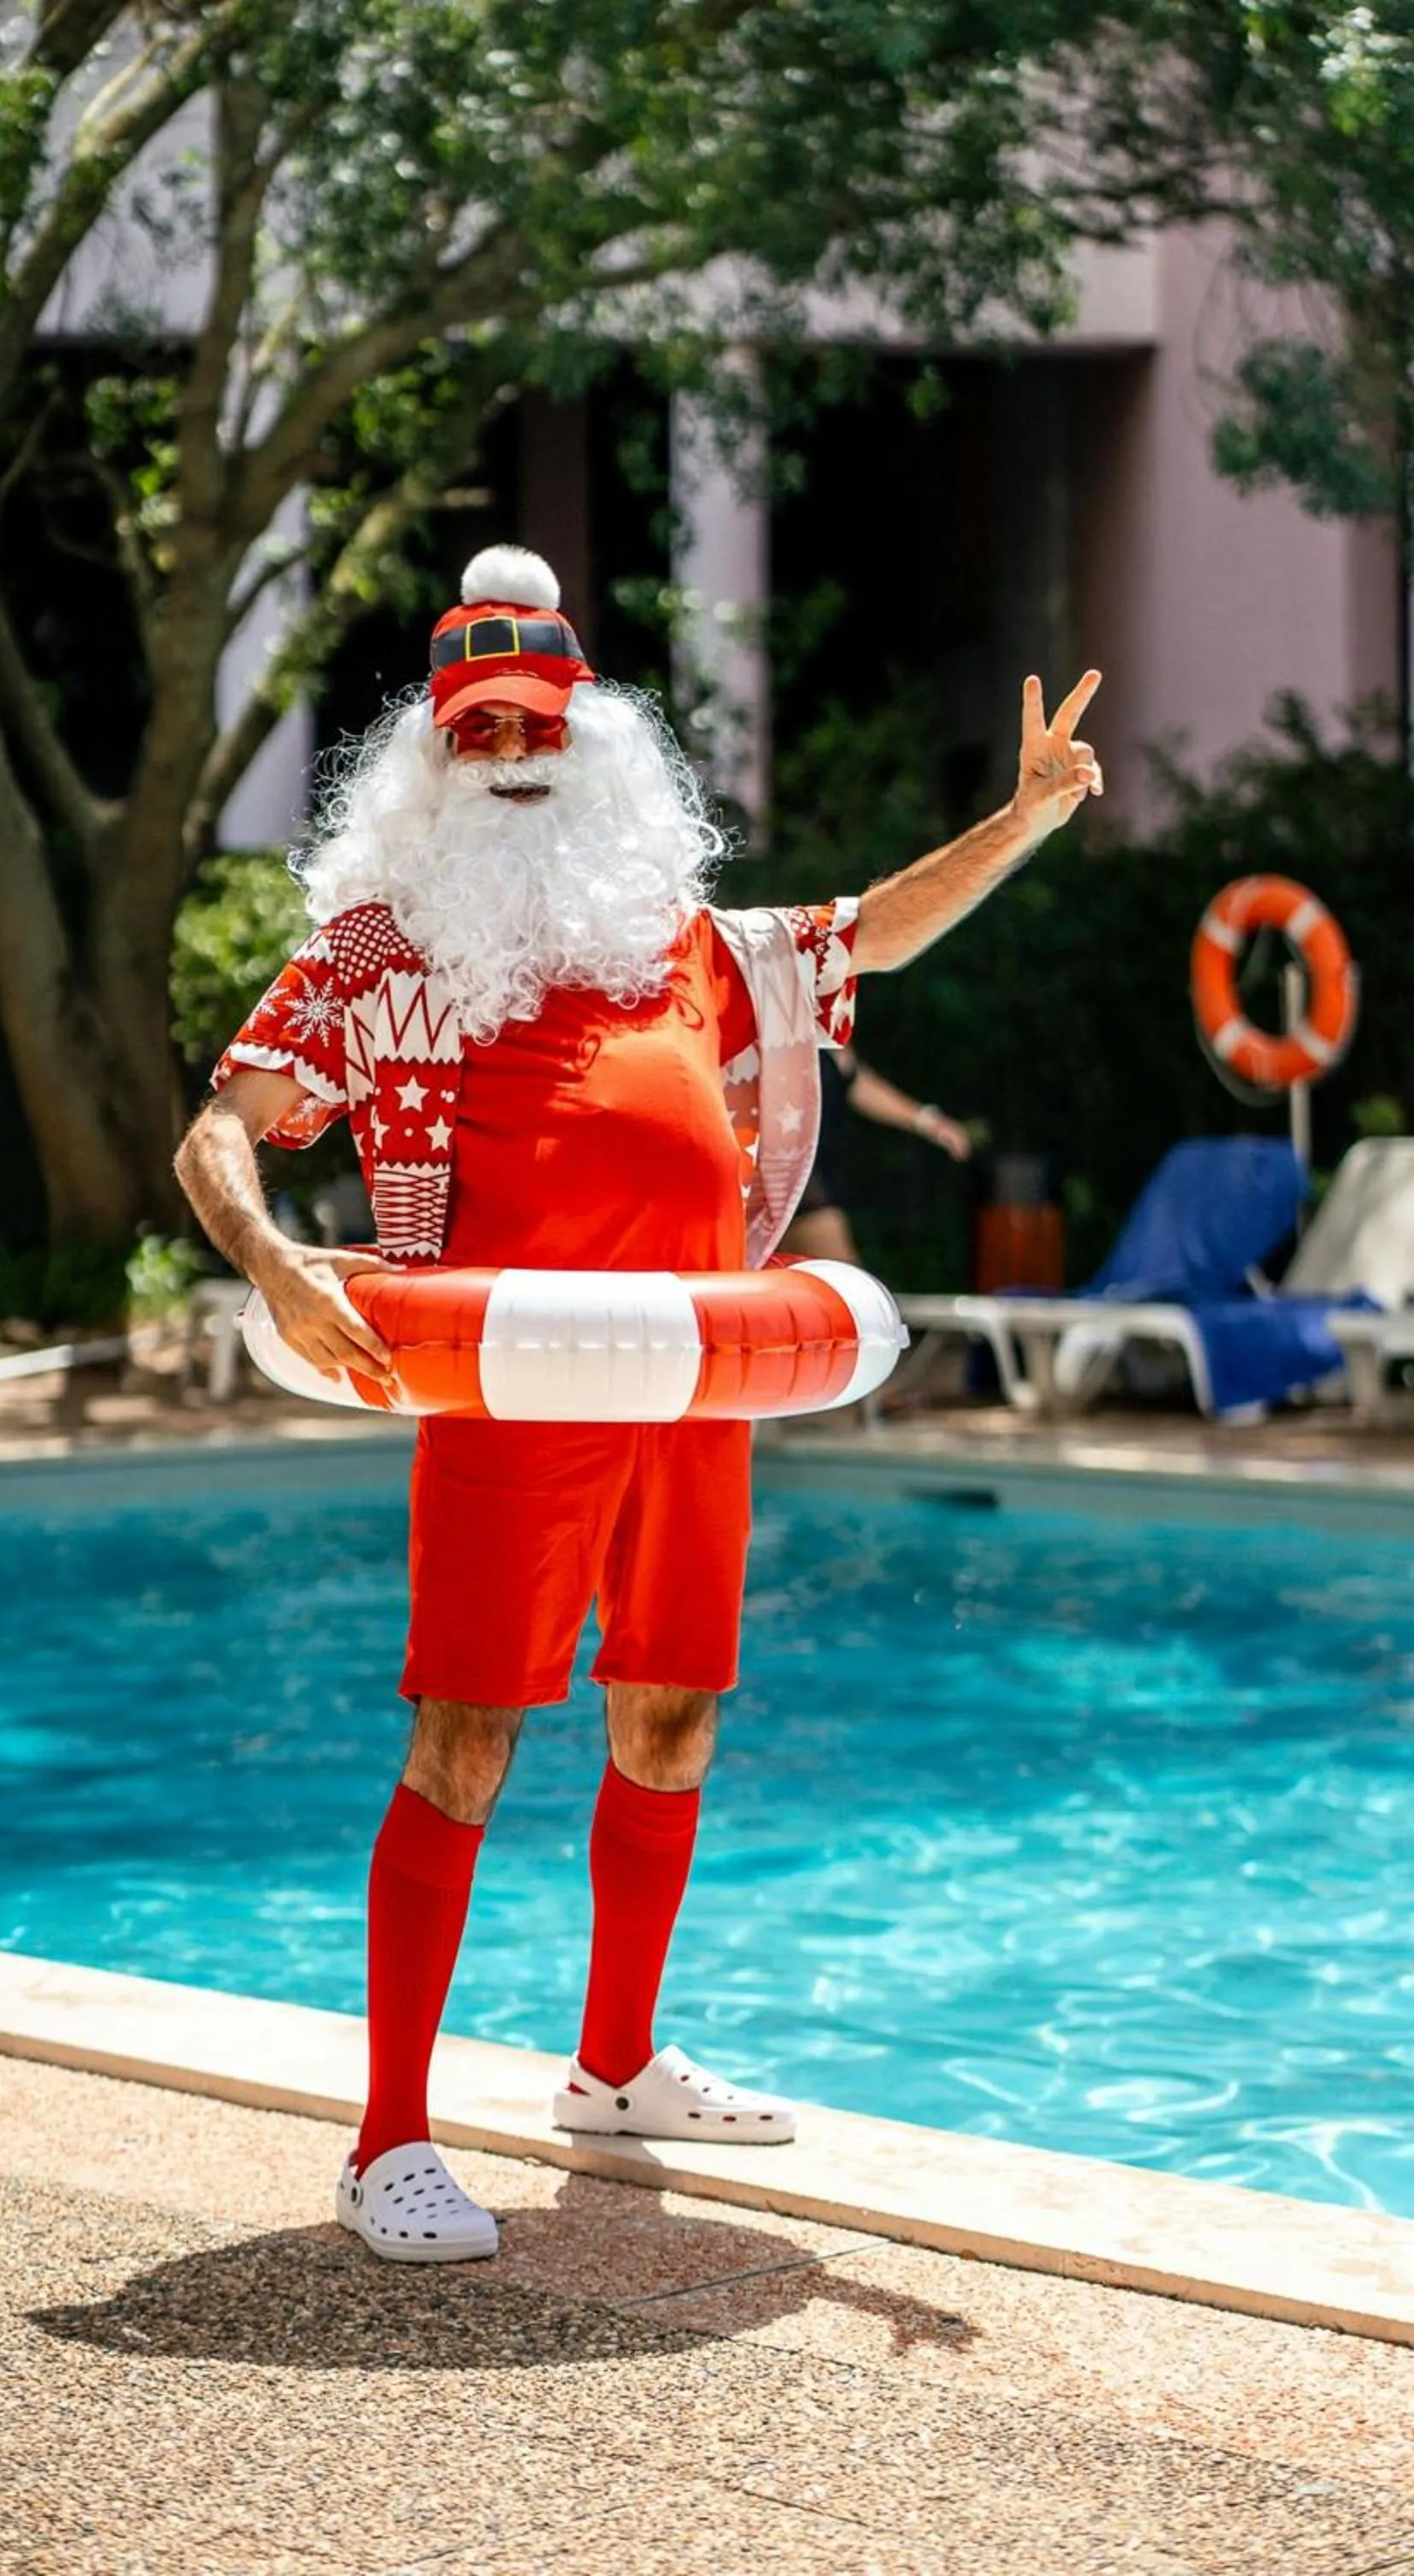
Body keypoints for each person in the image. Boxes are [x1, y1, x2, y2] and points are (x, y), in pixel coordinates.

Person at [174, 544, 1102, 2263]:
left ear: (590, 736)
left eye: (539, 718)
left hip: (690, 1388)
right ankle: (386, 2141)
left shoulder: (679, 939)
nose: (514, 747)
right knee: (467, 1741)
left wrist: (1028, 817)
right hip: (503, 1396)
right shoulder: (382, 950)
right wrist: (276, 1268)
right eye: (479, 726)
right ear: (434, 759)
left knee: (672, 1713)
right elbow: (217, 1131)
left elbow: (864, 933)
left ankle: (611, 2069)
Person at [780, 1049, 974, 1267]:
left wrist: (927, 1121)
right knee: (845, 1285)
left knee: (791, 1282)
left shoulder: (828, 1026)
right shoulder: (774, 1021)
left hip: (812, 1178)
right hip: (784, 1179)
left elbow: (854, 1078)